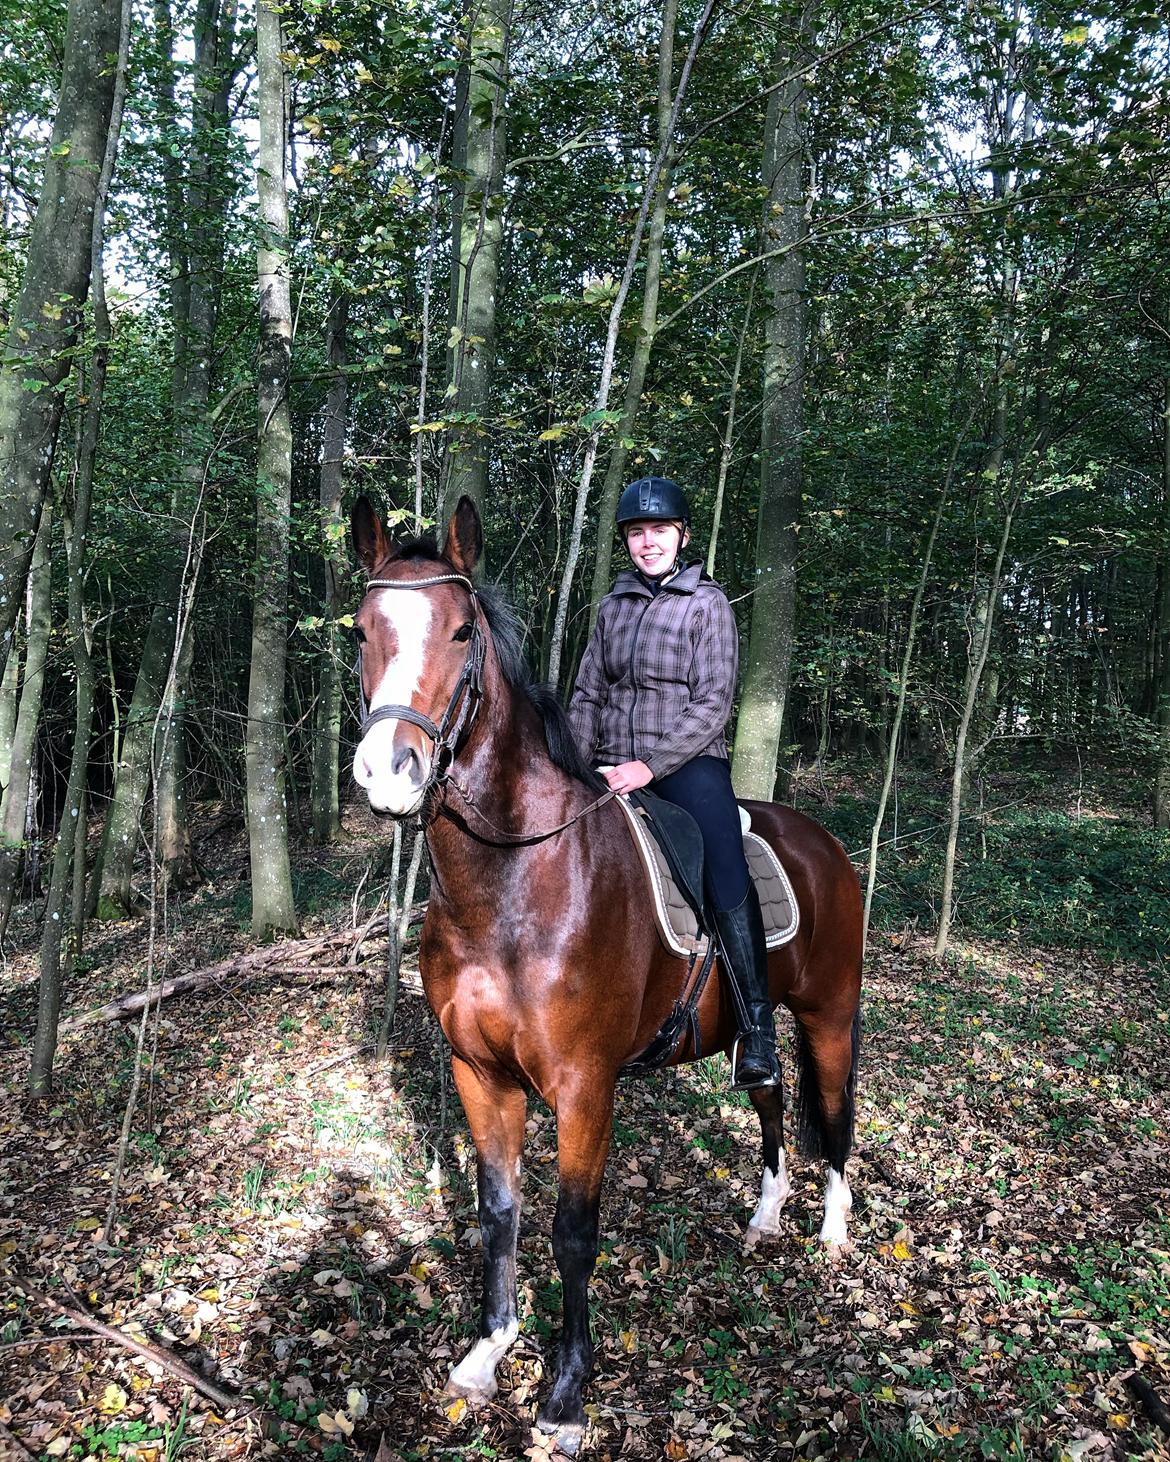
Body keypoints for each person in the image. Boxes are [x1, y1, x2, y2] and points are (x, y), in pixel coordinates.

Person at [568, 476, 779, 1089]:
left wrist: (649, 766)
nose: (648, 542)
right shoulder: (612, 607)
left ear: (682, 536)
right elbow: (587, 694)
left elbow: (713, 703)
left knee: (722, 858)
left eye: (659, 530)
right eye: (637, 533)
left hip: (688, 764)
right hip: (607, 762)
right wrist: (575, 764)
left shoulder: (707, 604)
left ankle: (756, 1029)